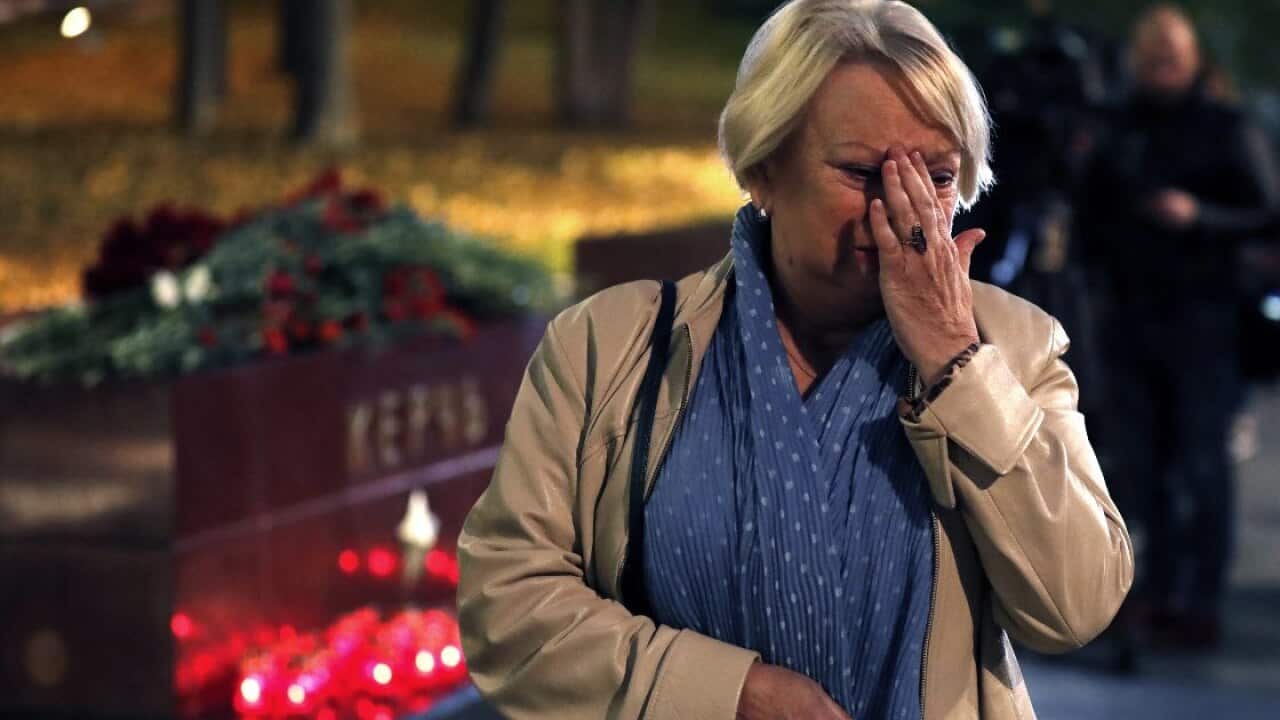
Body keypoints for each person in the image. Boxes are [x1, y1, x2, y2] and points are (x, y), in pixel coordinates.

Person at [458, 1, 1133, 718]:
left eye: (935, 178)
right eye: (861, 172)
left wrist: (956, 364)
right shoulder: (609, 347)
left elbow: (1077, 607)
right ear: (762, 169)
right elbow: (508, 606)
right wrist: (727, 694)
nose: (901, 215)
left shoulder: (1015, 348)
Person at [1078, 4, 1280, 651]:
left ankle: (1199, 602)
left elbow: (1266, 212)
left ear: (1191, 59)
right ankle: (1157, 593)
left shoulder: (1225, 126)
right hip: (1131, 318)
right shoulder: (1118, 124)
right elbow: (1090, 213)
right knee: (1144, 466)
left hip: (1204, 319)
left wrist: (1198, 217)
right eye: (1153, 56)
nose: (1162, 67)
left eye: (1172, 55)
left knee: (1200, 463)